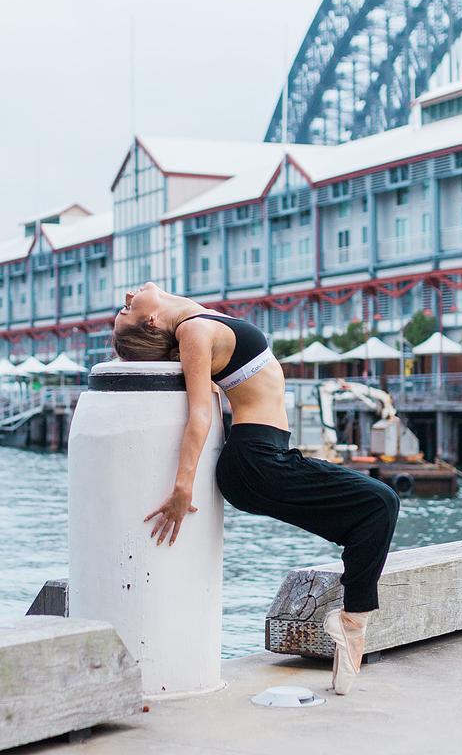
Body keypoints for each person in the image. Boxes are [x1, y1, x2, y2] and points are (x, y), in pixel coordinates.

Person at [112, 281, 399, 695]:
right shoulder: (193, 332)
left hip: (267, 457)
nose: (126, 300)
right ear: (152, 320)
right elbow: (198, 418)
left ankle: (352, 622)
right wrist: (182, 489)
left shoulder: (191, 317)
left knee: (367, 518)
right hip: (257, 462)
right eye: (126, 311)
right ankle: (353, 622)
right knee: (380, 502)